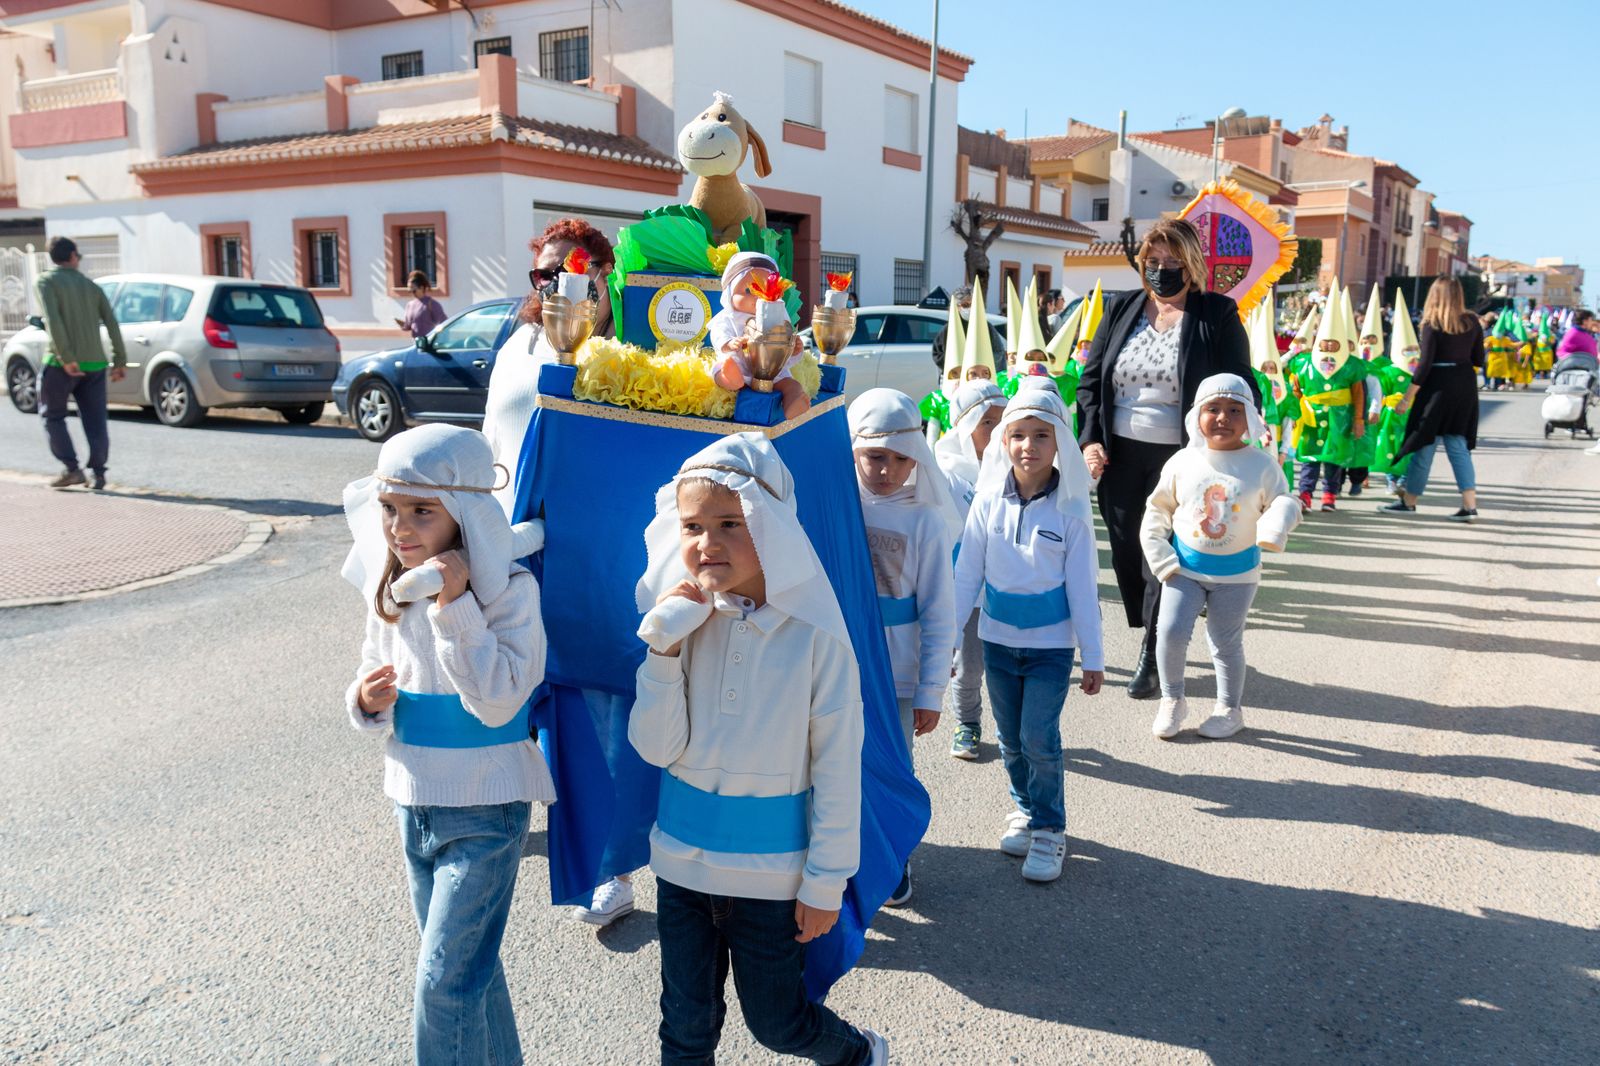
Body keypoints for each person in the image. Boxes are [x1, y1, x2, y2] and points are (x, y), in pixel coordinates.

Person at [629, 433, 888, 1066]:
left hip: (771, 876)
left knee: (778, 1024)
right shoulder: (682, 623)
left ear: (771, 526)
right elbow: (656, 749)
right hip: (683, 867)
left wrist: (826, 882)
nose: (706, 543)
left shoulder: (817, 638)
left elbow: (835, 765)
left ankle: (858, 1054)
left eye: (728, 523)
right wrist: (660, 654)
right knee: (686, 1029)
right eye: (692, 526)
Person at [341, 424, 554, 1064]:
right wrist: (365, 702)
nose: (399, 528)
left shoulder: (511, 592)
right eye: (389, 509)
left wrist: (454, 607)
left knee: (444, 985)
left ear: (462, 516)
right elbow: (367, 673)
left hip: (488, 809)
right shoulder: (390, 590)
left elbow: (499, 701)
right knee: (470, 976)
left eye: (421, 512)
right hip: (414, 801)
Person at [1076, 217, 1255, 700]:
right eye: (1153, 262)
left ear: (1192, 264)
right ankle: (1157, 625)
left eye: (1172, 262)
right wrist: (1090, 440)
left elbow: (1240, 383)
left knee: (1165, 553)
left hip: (1184, 460)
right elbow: (1090, 382)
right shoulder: (1120, 308)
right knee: (1128, 551)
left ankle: (1153, 653)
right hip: (1120, 456)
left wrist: (1227, 443)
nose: (1161, 270)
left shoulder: (1216, 313)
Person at [952, 384, 1105, 883]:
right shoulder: (986, 503)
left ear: (1059, 440)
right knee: (1011, 740)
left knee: (1039, 736)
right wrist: (949, 640)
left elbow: (1084, 587)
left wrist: (1094, 655)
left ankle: (1050, 829)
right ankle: (1024, 808)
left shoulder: (1072, 510)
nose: (1028, 446)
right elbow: (967, 574)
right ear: (1002, 440)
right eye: (1017, 434)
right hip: (997, 642)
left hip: (1050, 648)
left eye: (1041, 435)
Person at [848, 388, 962, 906]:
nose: (886, 470)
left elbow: (940, 610)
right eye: (874, 455)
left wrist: (931, 689)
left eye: (899, 458)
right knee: (834, 759)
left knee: (892, 766)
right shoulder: (840, 503)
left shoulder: (925, 521)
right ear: (853, 450)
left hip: (897, 672)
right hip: (840, 662)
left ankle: (894, 856)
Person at [1140, 374, 1300, 740]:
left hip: (1238, 573)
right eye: (1213, 409)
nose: (1223, 418)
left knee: (1225, 641)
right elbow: (1157, 509)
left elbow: (1284, 500)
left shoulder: (1262, 464)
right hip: (1185, 568)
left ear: (1251, 419)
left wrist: (1276, 526)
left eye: (1234, 410)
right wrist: (1160, 556)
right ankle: (1172, 699)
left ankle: (1229, 708)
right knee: (1170, 631)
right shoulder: (1183, 461)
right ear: (1197, 414)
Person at [482, 218, 616, 513]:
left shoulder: (630, 353)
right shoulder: (519, 345)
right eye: (544, 276)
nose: (557, 284)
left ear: (606, 272)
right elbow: (490, 443)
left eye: (570, 271)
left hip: (591, 532)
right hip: (511, 532)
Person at [934, 380, 1007, 760]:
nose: (996, 433)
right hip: (964, 591)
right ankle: (967, 723)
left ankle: (1020, 728)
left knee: (1010, 667)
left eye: (1002, 422)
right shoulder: (944, 473)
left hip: (1007, 588)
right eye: (986, 423)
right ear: (964, 427)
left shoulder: (1015, 471)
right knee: (969, 665)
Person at [1380, 276, 1484, 522]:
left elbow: (1424, 365)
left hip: (1437, 386)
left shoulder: (1432, 323)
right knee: (1458, 446)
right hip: (1464, 384)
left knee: (1423, 444)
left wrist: (1406, 399)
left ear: (1434, 295)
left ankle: (1410, 501)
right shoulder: (1472, 321)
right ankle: (1469, 505)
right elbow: (1479, 358)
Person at [34, 236, 126, 490]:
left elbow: (53, 320)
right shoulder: (91, 287)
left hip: (59, 363)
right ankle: (98, 473)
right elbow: (111, 322)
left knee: (52, 416)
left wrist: (66, 357)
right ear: (73, 256)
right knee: (96, 419)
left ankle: (72, 469)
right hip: (95, 364)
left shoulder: (46, 282)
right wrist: (120, 360)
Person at [709, 251, 809, 420]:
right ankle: (730, 379)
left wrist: (793, 349)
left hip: (772, 370)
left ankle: (794, 400)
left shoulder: (778, 316)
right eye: (748, 290)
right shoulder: (727, 317)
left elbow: (784, 341)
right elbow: (718, 334)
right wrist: (728, 344)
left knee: (789, 383)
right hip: (739, 364)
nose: (757, 298)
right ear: (730, 292)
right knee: (719, 367)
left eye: (764, 290)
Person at [394, 269, 448, 339]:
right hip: (417, 343)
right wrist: (400, 323)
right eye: (409, 291)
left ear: (421, 288)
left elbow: (443, 324)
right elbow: (407, 326)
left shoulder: (432, 304)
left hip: (430, 343)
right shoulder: (410, 305)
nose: (411, 293)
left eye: (413, 290)